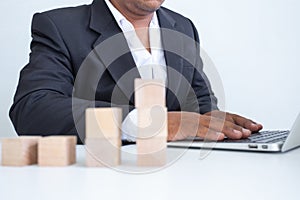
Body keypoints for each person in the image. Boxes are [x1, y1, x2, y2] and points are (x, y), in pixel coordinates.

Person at [9, 0, 263, 144]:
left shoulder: (183, 27)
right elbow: (33, 108)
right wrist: (152, 124)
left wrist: (220, 125)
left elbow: (199, 105)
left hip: (183, 180)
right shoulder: (60, 27)